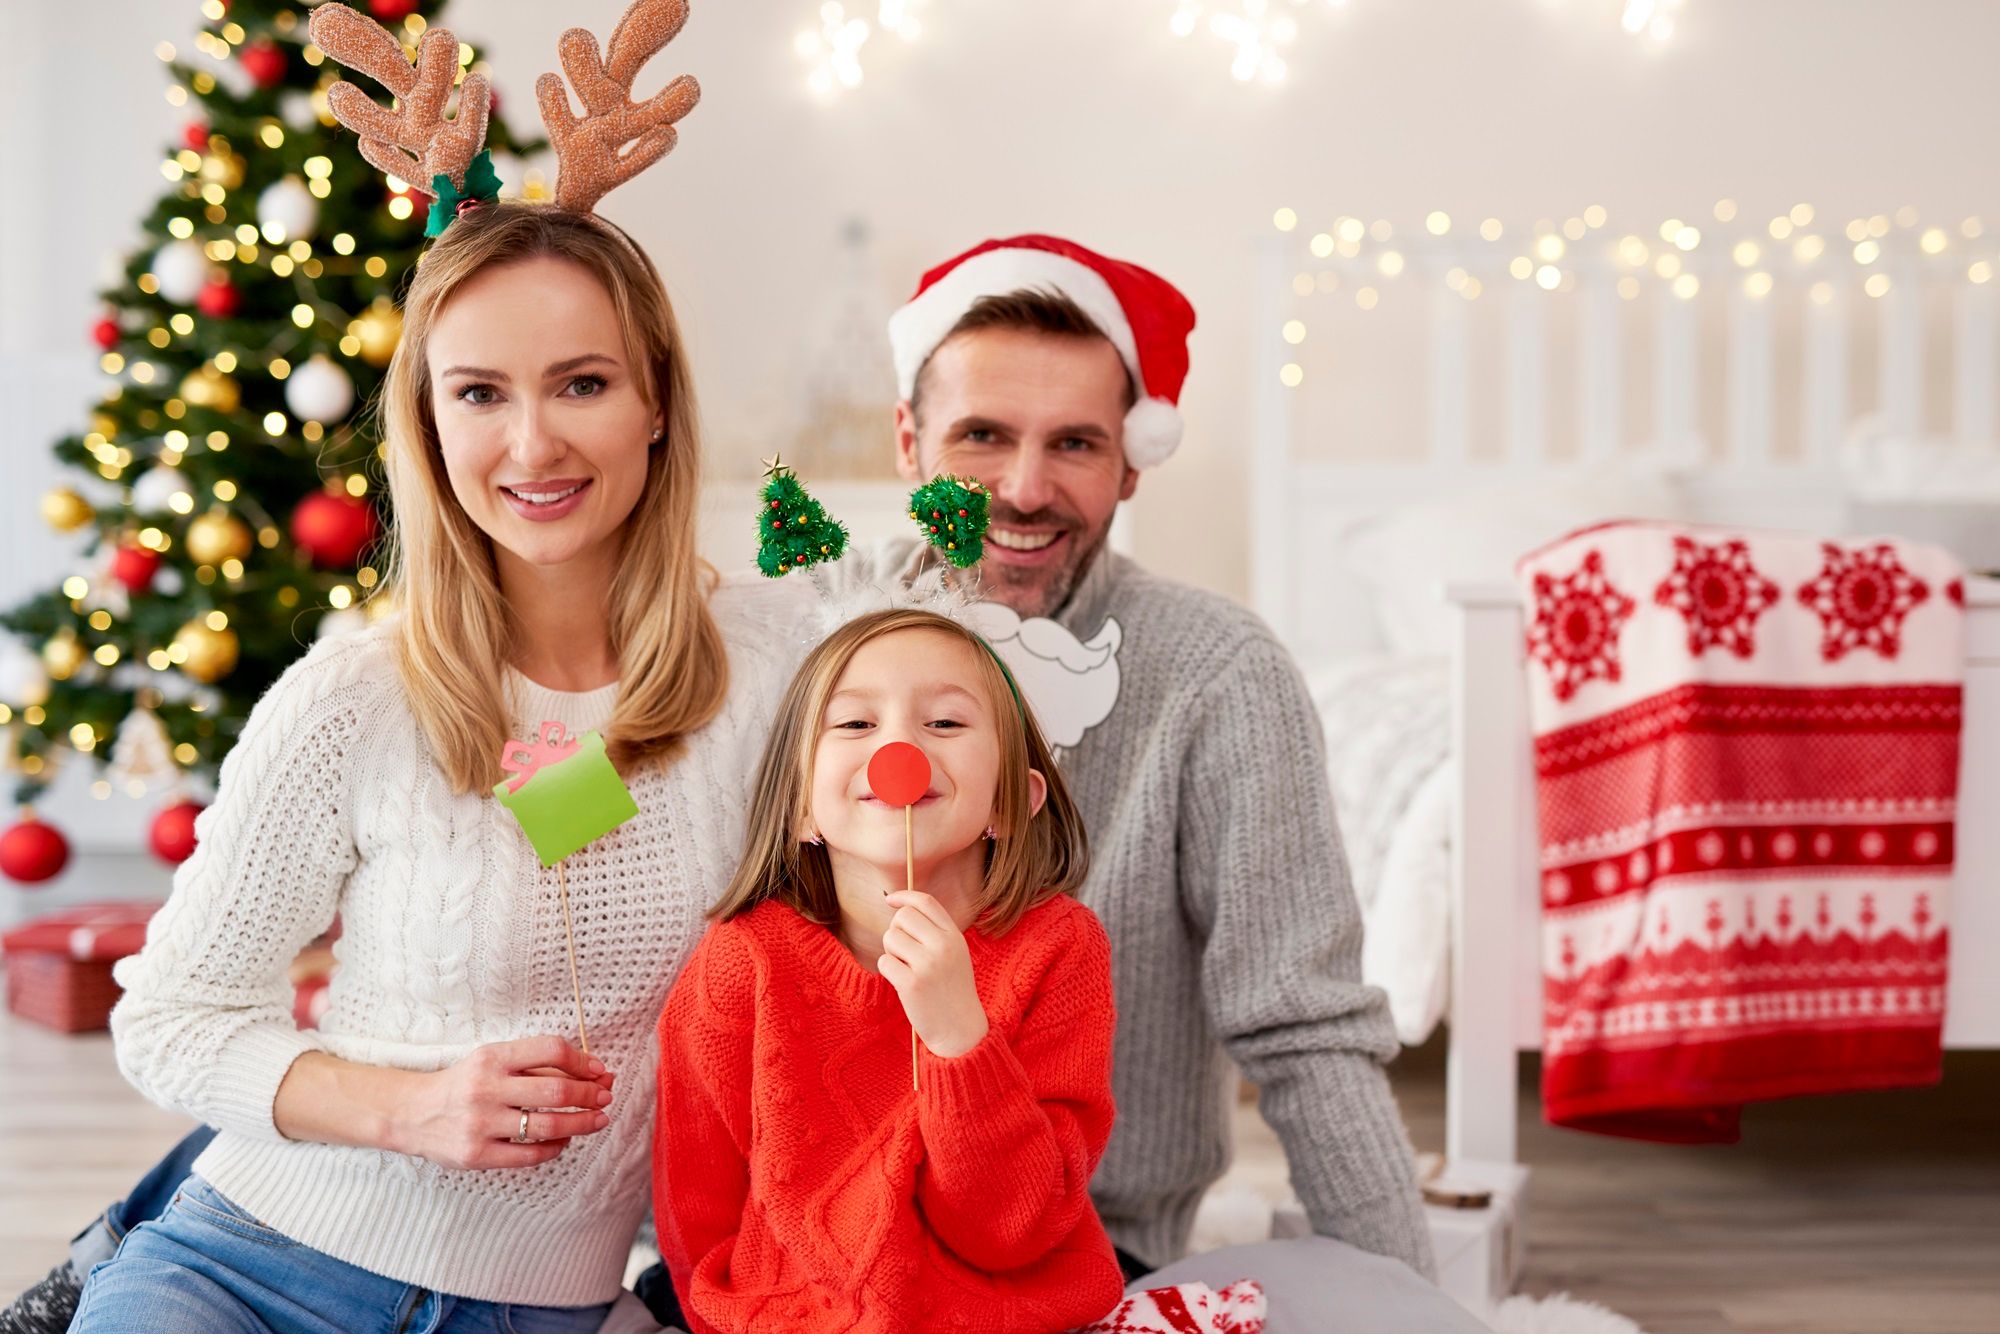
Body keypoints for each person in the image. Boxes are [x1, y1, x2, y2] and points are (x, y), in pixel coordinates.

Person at [62, 183, 810, 1327]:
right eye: (479, 392)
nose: (533, 441)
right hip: (251, 1268)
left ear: (654, 400)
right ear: (429, 422)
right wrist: (407, 1108)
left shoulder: (774, 673)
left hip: (541, 1304)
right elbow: (168, 1020)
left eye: (583, 382)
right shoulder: (353, 698)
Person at [836, 234, 1439, 1282]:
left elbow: (1303, 1024)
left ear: (1129, 459)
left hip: (1079, 1250)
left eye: (1072, 443)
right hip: (810, 1236)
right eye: (980, 433)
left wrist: (1409, 1300)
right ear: (908, 439)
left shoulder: (1217, 672)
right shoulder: (811, 638)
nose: (1024, 489)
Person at [655, 608, 1124, 1332]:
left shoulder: (1058, 949)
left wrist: (958, 1038)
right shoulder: (741, 961)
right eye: (854, 725)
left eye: (944, 723)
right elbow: (696, 1200)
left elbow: (1012, 1228)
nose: (899, 745)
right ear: (799, 808)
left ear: (1012, 801)